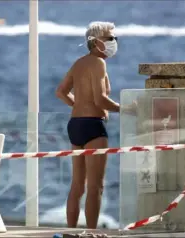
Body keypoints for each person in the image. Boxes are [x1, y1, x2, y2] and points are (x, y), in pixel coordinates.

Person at [56, 21, 137, 229]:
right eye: (110, 38)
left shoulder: (79, 63)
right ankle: (92, 232)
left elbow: (61, 92)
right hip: (93, 126)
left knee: (77, 186)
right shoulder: (99, 63)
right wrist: (125, 108)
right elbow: (100, 99)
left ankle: (71, 232)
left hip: (75, 124)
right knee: (95, 186)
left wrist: (79, 106)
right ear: (97, 42)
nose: (114, 42)